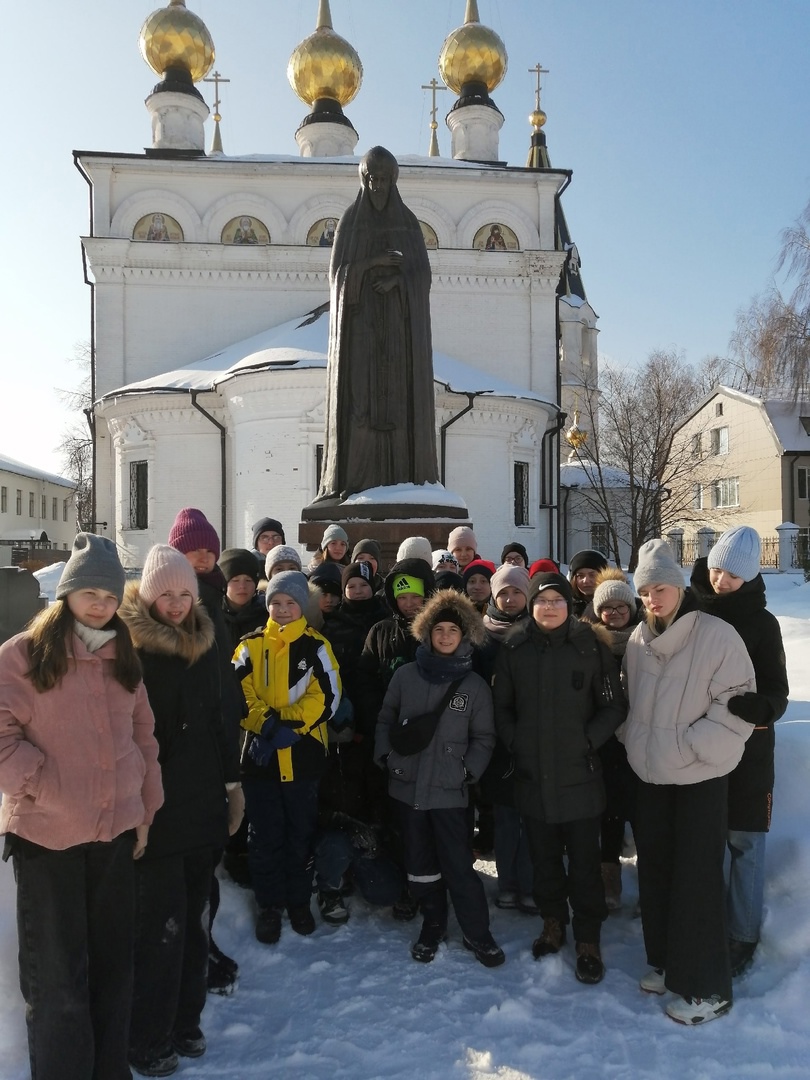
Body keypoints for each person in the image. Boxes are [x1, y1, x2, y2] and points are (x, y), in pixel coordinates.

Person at [0, 533, 163, 1080]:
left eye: (110, 594)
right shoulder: (22, 656)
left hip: (113, 837)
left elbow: (144, 738)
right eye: (89, 591)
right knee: (58, 984)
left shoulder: (124, 657)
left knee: (114, 974)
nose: (100, 603)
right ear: (67, 592)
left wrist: (145, 809)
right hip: (47, 844)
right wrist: (46, 784)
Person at [120, 545, 244, 1077]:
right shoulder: (131, 652)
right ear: (148, 595)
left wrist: (233, 786)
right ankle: (148, 1036)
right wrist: (137, 812)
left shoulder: (205, 640)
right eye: (165, 594)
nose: (175, 604)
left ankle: (186, 1021)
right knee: (160, 930)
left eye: (184, 594)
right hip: (157, 812)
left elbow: (220, 718)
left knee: (195, 923)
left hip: (201, 806)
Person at [621, 539, 756, 1025]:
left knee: (697, 880)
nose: (653, 599)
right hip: (651, 775)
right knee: (656, 872)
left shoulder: (718, 635)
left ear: (678, 586)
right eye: (645, 592)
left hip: (699, 777)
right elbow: (632, 704)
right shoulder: (638, 639)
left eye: (660, 588)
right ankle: (665, 961)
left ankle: (707, 988)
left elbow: (736, 711)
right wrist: (635, 740)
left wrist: (688, 746)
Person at [493, 572, 625, 985]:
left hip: (580, 778)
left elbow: (612, 706)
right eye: (541, 600)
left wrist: (588, 741)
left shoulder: (590, 647)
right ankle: (553, 924)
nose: (549, 607)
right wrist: (518, 743)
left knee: (585, 865)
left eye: (557, 599)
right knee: (544, 860)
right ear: (531, 606)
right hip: (533, 777)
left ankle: (588, 938)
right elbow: (502, 709)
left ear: (570, 604)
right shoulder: (515, 648)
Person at [375, 589, 504, 968]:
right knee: (420, 864)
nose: (445, 636)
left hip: (450, 793)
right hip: (408, 787)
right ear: (426, 633)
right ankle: (433, 922)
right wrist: (387, 756)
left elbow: (484, 738)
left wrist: (467, 771)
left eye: (453, 630)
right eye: (439, 629)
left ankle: (476, 931)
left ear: (464, 636)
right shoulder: (405, 676)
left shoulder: (474, 686)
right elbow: (385, 718)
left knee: (459, 866)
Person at [690, 526, 789, 978]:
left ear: (748, 577)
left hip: (750, 749)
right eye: (716, 569)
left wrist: (759, 708)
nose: (721, 580)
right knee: (703, 839)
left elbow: (777, 690)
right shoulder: (691, 610)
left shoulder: (762, 623)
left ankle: (743, 934)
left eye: (732, 574)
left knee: (745, 841)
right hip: (699, 743)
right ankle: (702, 922)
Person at [318, 146, 438, 499]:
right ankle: (355, 483)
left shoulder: (408, 223)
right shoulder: (350, 223)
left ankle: (402, 479)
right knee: (360, 409)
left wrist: (398, 281)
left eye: (384, 180)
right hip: (361, 335)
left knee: (399, 409)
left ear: (393, 181)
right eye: (372, 180)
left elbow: (423, 277)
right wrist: (372, 263)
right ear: (363, 179)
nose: (378, 187)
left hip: (399, 336)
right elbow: (337, 278)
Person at [233, 571, 341, 944]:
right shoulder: (249, 645)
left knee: (300, 834)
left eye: (290, 603)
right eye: (276, 603)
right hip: (260, 761)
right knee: (264, 836)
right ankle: (269, 906)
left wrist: (290, 728)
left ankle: (298, 902)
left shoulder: (316, 646)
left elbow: (327, 696)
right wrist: (265, 726)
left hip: (303, 759)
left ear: (302, 607)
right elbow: (239, 692)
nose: (282, 609)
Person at [478, 565, 534, 912]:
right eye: (503, 593)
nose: (510, 599)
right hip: (494, 740)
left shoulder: (539, 632)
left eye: (516, 592)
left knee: (530, 817)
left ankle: (529, 883)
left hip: (531, 739)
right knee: (504, 817)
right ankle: (507, 883)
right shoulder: (481, 638)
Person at [589, 568, 642, 911]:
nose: (614, 613)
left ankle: (650, 880)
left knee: (643, 812)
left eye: (621, 607)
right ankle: (609, 879)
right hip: (606, 739)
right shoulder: (590, 643)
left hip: (641, 735)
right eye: (607, 608)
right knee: (609, 811)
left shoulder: (647, 638)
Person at [219, 547, 267, 651]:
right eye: (235, 580)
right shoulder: (210, 617)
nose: (242, 586)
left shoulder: (268, 617)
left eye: (248, 580)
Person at [567, 549, 609, 618]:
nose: (586, 581)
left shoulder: (616, 603)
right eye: (580, 576)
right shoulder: (565, 607)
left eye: (592, 575)